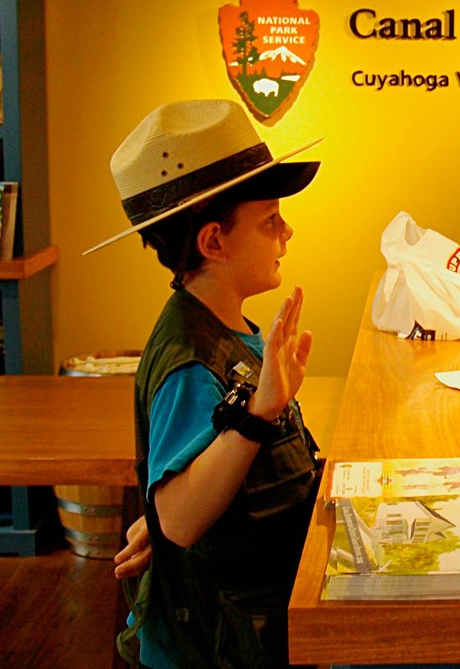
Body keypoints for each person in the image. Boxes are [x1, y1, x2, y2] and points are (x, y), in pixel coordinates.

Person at [85, 98, 323, 667]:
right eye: (269, 219)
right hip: (215, 646)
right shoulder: (191, 360)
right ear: (213, 242)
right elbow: (183, 520)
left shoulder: (228, 328)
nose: (287, 230)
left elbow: (187, 494)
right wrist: (258, 414)